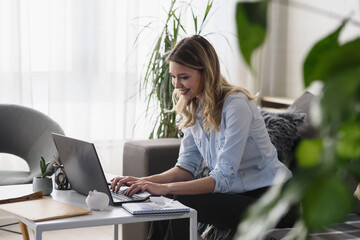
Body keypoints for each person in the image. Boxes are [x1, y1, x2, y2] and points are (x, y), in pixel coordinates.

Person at [111, 35, 293, 239]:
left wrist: (163, 188)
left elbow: (222, 179)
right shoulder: (193, 106)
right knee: (160, 200)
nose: (176, 84)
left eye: (184, 77)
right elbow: (186, 168)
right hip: (240, 196)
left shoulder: (236, 106)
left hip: (276, 201)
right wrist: (142, 182)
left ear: (205, 73)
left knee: (180, 199)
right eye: (173, 76)